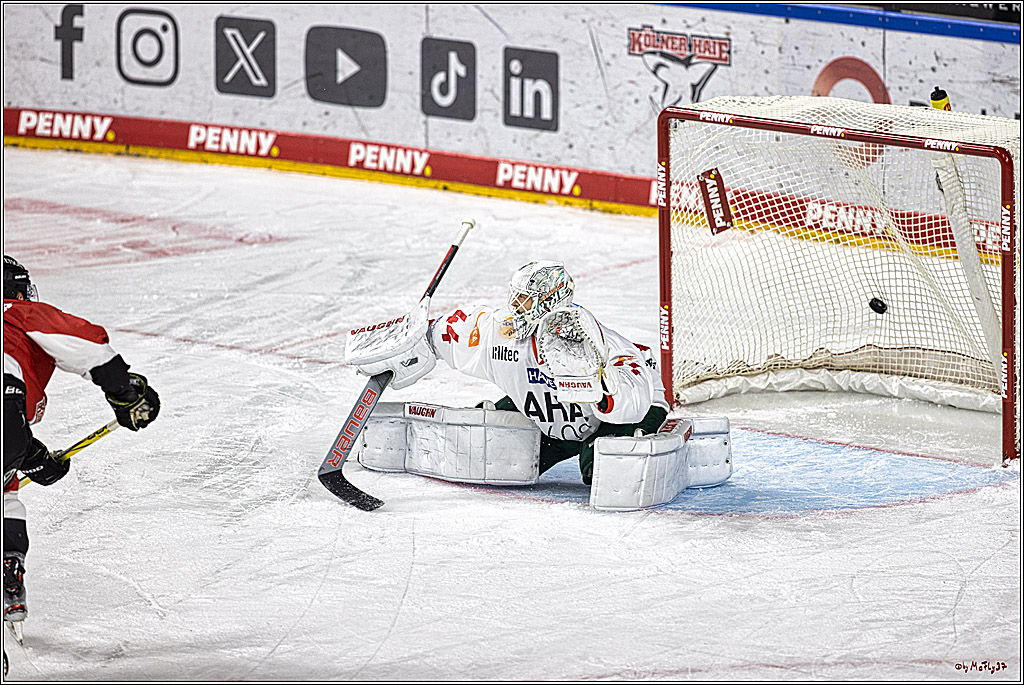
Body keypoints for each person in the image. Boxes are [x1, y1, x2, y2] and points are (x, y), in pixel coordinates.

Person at [357, 260, 669, 484]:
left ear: (549, 301)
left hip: (617, 416)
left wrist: (603, 390)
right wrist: (408, 343)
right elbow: (446, 333)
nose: (515, 307)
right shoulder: (500, 333)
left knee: (608, 474)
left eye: (525, 300)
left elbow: (636, 394)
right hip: (548, 418)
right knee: (493, 456)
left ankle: (630, 439)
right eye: (515, 297)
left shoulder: (595, 341)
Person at [3, 256, 160, 637]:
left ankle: (8, 565)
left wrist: (30, 455)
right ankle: (8, 567)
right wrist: (125, 393)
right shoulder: (16, 312)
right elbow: (86, 346)